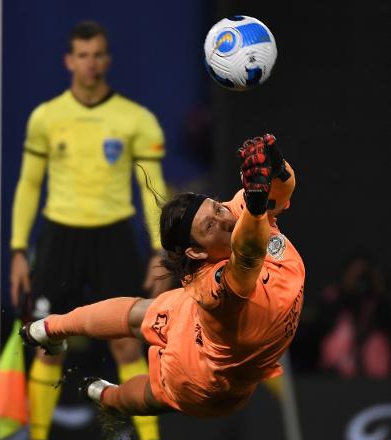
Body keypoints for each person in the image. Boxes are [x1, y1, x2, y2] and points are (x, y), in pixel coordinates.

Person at [20, 134, 305, 419]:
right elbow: (247, 255)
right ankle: (65, 345)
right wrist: (255, 211)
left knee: (142, 312)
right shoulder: (213, 289)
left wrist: (277, 167)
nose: (225, 220)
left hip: (212, 348)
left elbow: (281, 192)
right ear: (197, 253)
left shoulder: (234, 213)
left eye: (217, 209)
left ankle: (95, 384)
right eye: (210, 226)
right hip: (201, 378)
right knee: (155, 391)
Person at [10, 20, 169, 440]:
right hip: (60, 236)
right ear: (68, 60)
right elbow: (28, 184)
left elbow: (151, 188)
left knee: (126, 344)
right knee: (46, 340)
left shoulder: (136, 120)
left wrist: (160, 250)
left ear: (108, 59)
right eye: (82, 55)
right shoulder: (47, 117)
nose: (91, 63)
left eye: (98, 54)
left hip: (113, 238)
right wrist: (18, 249)